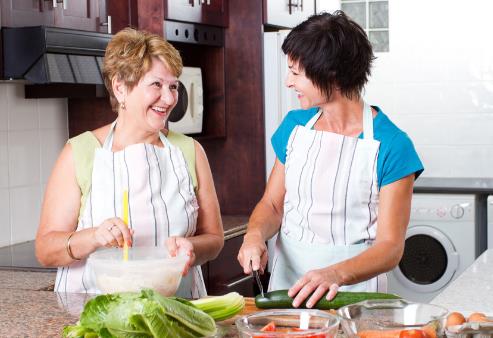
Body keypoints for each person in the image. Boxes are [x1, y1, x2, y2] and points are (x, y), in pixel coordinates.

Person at [237, 11, 424, 308]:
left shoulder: (392, 145)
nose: (288, 82)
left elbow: (390, 247)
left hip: (353, 293)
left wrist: (334, 274)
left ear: (331, 74)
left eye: (296, 73)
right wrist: (254, 235)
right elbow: (272, 205)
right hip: (287, 288)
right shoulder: (294, 127)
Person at [36, 28, 224, 298]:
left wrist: (193, 248)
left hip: (178, 310)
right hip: (97, 314)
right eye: (156, 85)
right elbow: (45, 249)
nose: (170, 99)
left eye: (173, 86)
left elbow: (214, 239)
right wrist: (93, 237)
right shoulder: (82, 152)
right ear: (120, 88)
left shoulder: (189, 151)